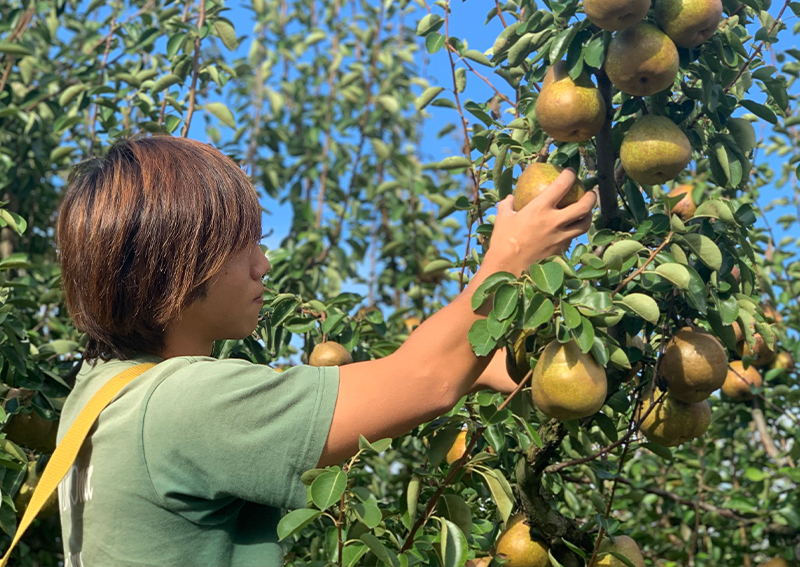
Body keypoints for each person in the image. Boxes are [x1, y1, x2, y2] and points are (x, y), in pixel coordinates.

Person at [55, 135, 595, 567]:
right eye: (243, 244)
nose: (263, 265)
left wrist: (473, 369)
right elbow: (425, 380)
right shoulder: (183, 405)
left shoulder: (100, 394)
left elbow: (378, 385)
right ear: (174, 261)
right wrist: (511, 258)